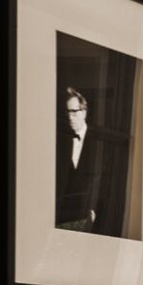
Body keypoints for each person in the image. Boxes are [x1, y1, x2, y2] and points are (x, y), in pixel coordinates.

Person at [57, 86, 109, 232]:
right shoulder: (61, 141)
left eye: (74, 112)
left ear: (84, 112)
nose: (69, 117)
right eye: (67, 112)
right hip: (62, 215)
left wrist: (95, 209)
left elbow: (103, 180)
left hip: (88, 216)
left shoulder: (99, 143)